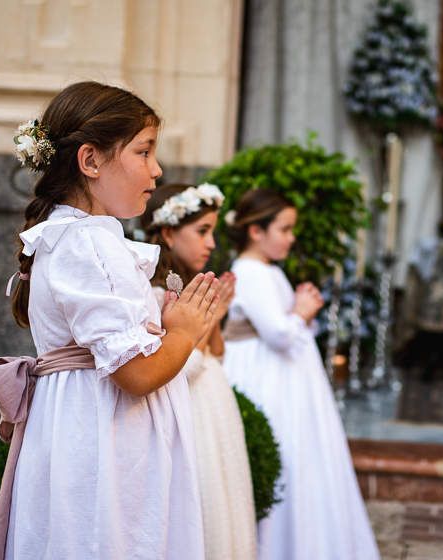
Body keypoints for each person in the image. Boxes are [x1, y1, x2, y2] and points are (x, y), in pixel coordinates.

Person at [0, 81, 221, 559]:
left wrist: (158, 324)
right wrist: (184, 333)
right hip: (106, 446)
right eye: (143, 151)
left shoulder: (69, 237)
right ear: (90, 161)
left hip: (77, 429)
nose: (157, 169)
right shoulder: (91, 242)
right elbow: (137, 373)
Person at [222, 188, 379, 560]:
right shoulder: (249, 271)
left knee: (302, 459)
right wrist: (302, 311)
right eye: (285, 229)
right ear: (256, 231)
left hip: (286, 378)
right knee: (286, 457)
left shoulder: (269, 271)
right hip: (266, 379)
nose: (292, 237)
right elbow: (278, 333)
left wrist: (299, 307)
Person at [140, 182, 257, 560]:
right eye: (202, 231)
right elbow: (180, 369)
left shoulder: (194, 285)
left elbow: (216, 357)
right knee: (200, 503)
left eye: (213, 232)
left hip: (214, 410)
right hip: (186, 414)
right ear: (170, 233)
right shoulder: (157, 294)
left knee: (226, 498)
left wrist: (215, 319)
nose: (211, 243)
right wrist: (202, 325)